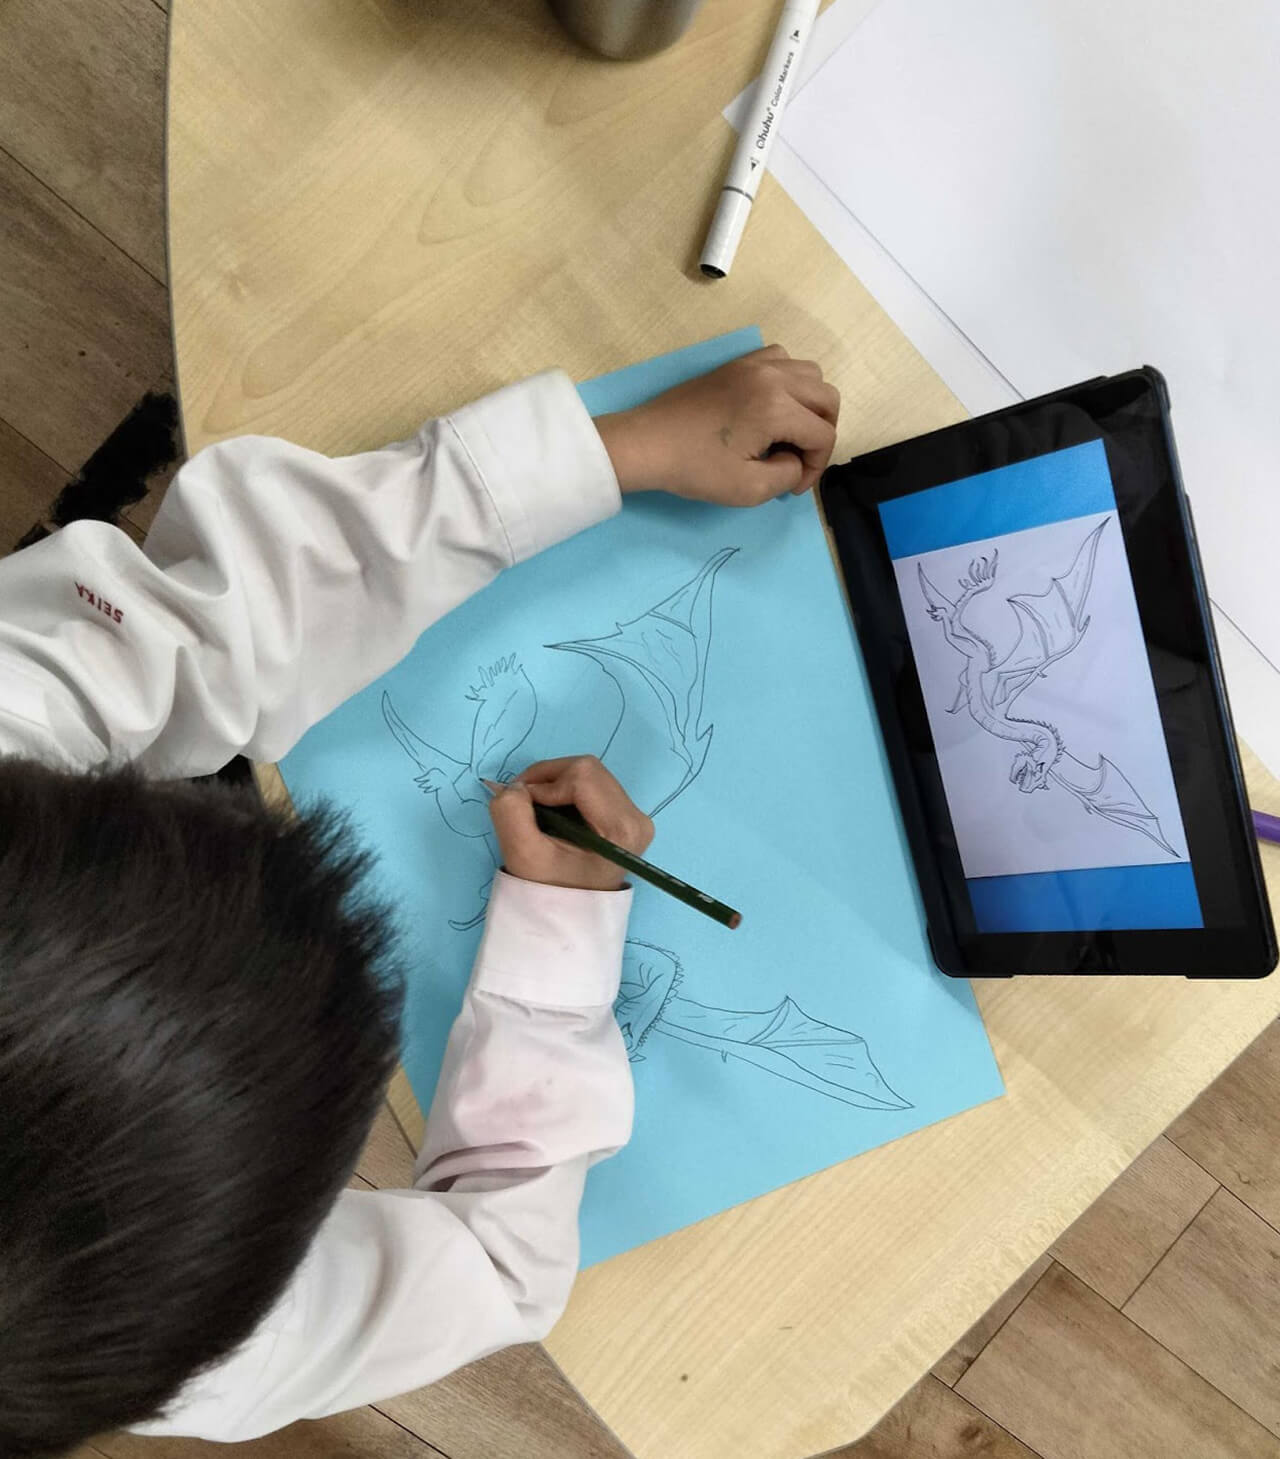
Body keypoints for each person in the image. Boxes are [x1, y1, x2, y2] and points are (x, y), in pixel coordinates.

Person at [0, 346, 839, 1453]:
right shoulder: (186, 1349)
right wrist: (557, 951)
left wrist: (612, 450)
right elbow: (501, 1262)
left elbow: (212, 616)